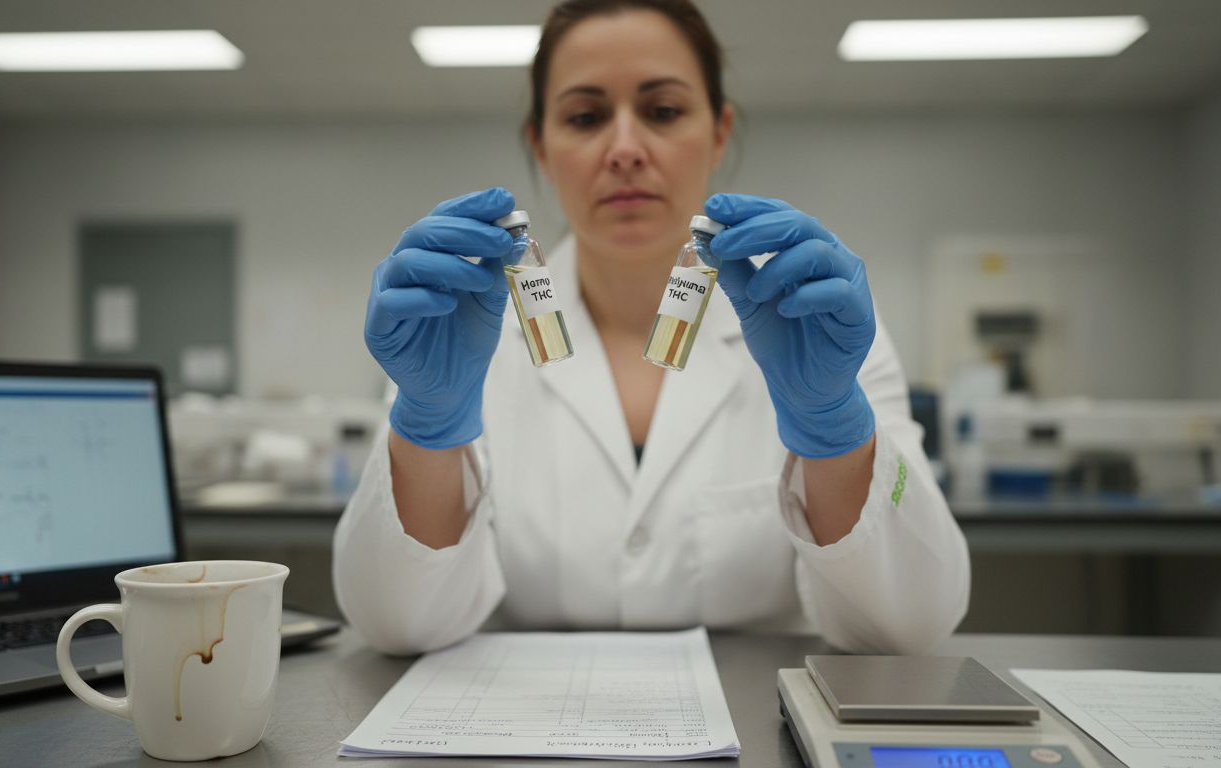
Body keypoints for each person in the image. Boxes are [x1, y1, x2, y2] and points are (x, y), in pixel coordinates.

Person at [333, 0, 969, 655]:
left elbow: (911, 622)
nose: (626, 149)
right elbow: (395, 625)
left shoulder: (816, 319)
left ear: (719, 132)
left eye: (663, 111)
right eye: (585, 117)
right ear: (540, 147)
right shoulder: (461, 323)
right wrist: (427, 426)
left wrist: (834, 426)